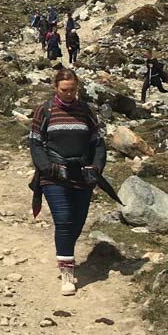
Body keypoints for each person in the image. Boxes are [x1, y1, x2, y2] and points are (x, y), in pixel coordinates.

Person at [28, 67, 107, 296]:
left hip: (82, 174)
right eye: (64, 90)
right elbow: (35, 143)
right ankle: (67, 272)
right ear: (55, 88)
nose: (69, 94)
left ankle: (65, 251)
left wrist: (97, 167)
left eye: (72, 90)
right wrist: (46, 167)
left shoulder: (86, 111)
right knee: (63, 220)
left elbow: (98, 143)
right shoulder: (44, 111)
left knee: (78, 221)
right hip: (54, 175)